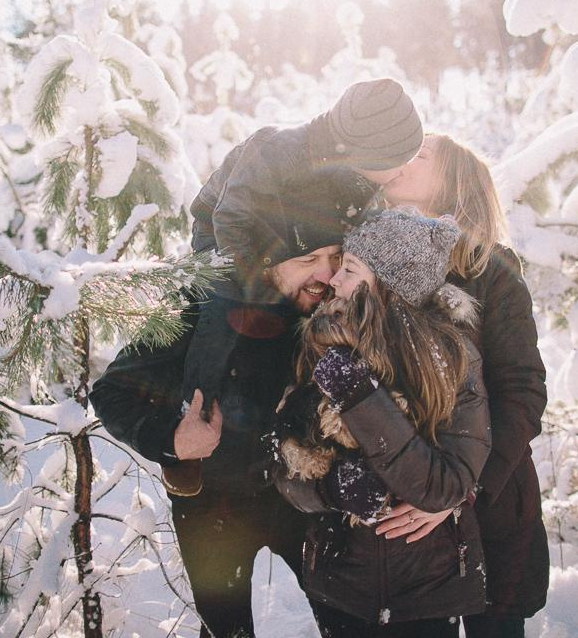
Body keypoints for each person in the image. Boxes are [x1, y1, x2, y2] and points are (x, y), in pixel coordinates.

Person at [90, 216, 347, 638]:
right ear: (270, 260)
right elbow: (113, 390)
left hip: (307, 496)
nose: (326, 273)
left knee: (346, 623)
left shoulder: (341, 306)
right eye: (309, 258)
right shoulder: (200, 302)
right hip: (213, 506)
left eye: (336, 256)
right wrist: (172, 441)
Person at [169, 77, 424, 496]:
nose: (401, 171)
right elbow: (231, 217)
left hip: (285, 243)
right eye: (397, 161)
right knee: (220, 312)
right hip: (224, 239)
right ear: (365, 152)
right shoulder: (278, 149)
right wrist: (258, 291)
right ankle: (195, 419)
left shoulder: (350, 170)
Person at [273, 208, 492, 637]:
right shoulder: (319, 343)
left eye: (350, 269)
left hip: (427, 591)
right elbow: (280, 464)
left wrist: (360, 397)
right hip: (341, 588)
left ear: (388, 285)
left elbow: (443, 486)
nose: (334, 280)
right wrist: (328, 489)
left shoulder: (450, 361)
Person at [374, 134, 549, 638]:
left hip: (487, 508)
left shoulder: (490, 269)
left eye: (421, 155)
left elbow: (522, 393)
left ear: (454, 183)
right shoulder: (371, 262)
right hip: (404, 517)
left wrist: (459, 490)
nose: (402, 160)